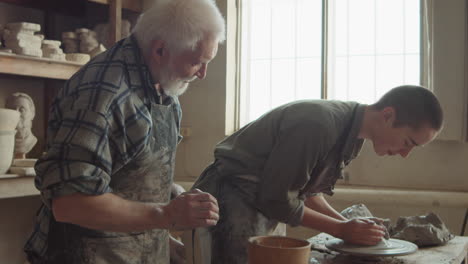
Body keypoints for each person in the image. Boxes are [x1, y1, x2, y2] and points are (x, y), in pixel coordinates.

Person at [24, 0, 225, 263]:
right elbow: (71, 203)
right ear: (160, 49)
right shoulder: (102, 96)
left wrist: (164, 229)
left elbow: (129, 175)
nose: (203, 74)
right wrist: (167, 215)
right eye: (197, 62)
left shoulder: (162, 82)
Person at [191, 85, 444, 264]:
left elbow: (305, 192)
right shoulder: (318, 125)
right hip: (230, 198)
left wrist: (349, 226)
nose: (404, 154)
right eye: (409, 142)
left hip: (259, 203)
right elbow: (277, 199)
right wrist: (341, 229)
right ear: (388, 116)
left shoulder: (352, 134)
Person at [5, 92, 37, 159]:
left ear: (32, 114)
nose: (17, 113)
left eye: (22, 110)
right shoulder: (3, 144)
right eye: (12, 109)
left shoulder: (39, 144)